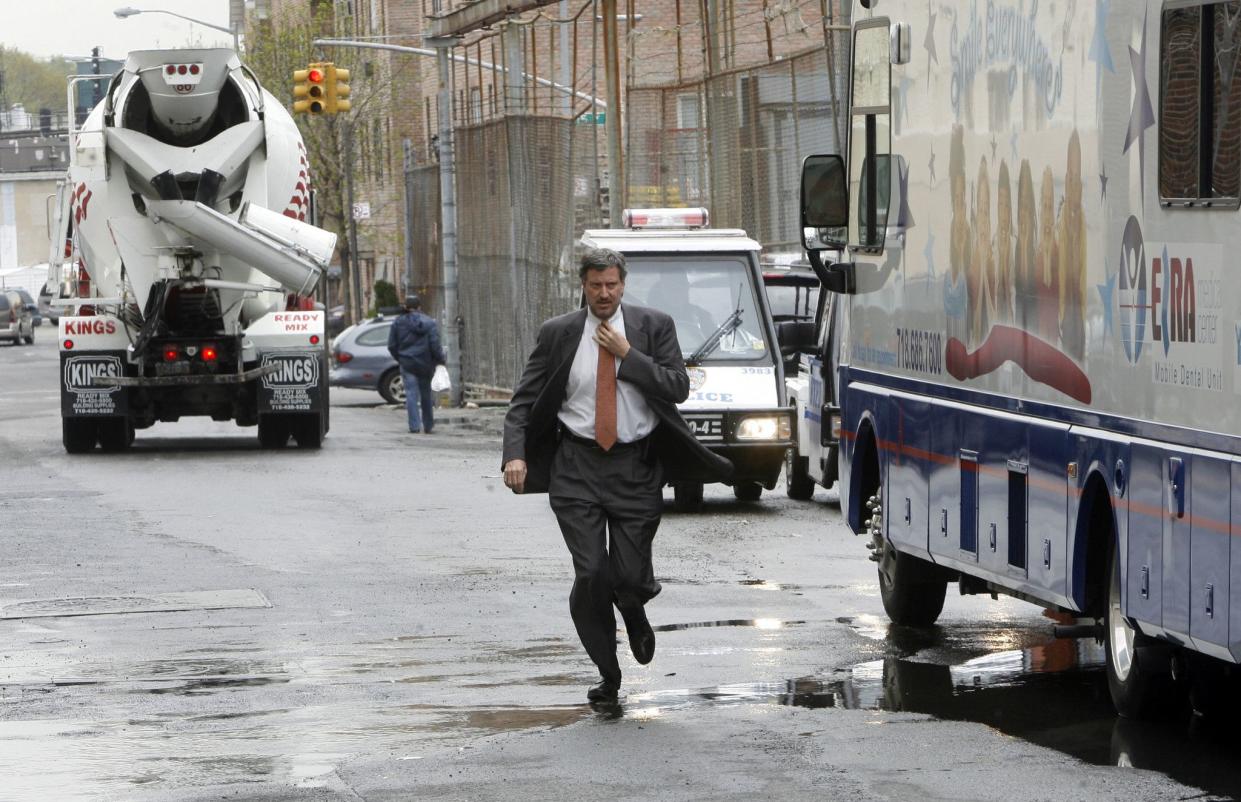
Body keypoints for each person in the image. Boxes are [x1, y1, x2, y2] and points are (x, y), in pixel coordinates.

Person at [501, 248, 731, 705]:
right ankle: (608, 673)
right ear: (583, 286)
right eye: (595, 286)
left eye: (611, 285)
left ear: (623, 284)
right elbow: (523, 402)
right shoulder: (559, 334)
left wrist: (628, 356)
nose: (604, 293)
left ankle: (633, 606)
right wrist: (516, 455)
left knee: (627, 575)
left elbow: (677, 388)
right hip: (576, 466)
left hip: (635, 466)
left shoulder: (653, 326)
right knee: (591, 574)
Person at [387, 294, 445, 433]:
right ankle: (428, 425)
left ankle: (414, 426)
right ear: (419, 307)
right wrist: (440, 360)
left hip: (407, 363)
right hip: (425, 363)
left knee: (411, 394)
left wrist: (400, 358)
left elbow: (392, 345)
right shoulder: (429, 323)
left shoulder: (398, 322)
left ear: (406, 307)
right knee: (426, 394)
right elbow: (434, 344)